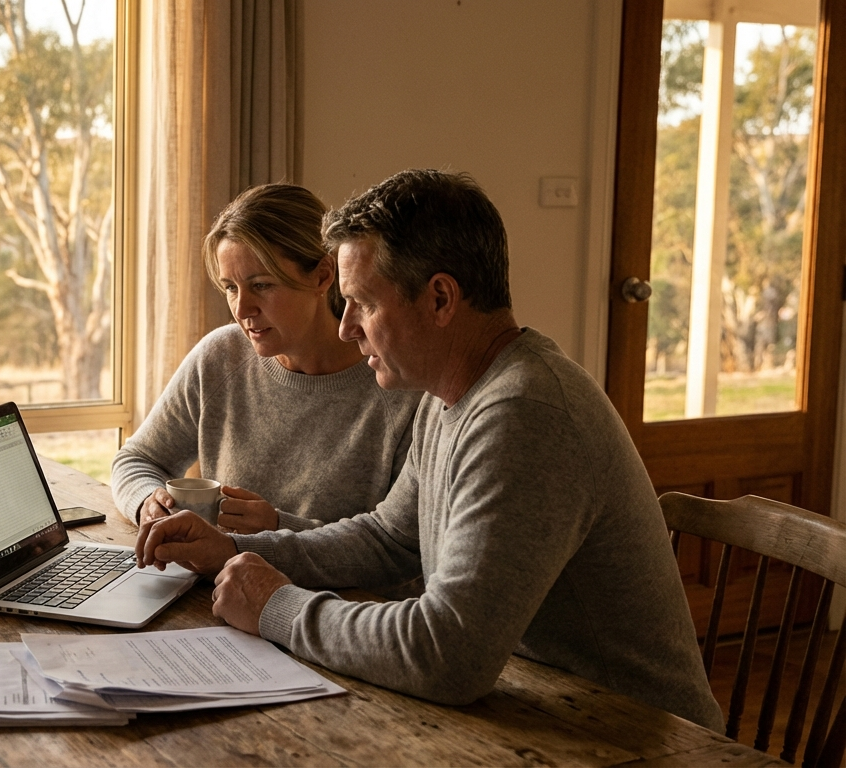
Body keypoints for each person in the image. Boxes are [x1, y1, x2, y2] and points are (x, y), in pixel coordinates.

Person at [134, 170, 724, 731]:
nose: (347, 328)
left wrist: (276, 606)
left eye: (362, 303)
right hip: (536, 711)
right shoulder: (451, 397)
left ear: (440, 298)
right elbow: (386, 538)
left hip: (635, 737)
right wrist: (231, 548)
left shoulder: (524, 415)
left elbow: (447, 653)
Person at [111, 183, 422, 534]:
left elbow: (398, 548)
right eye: (231, 287)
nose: (242, 309)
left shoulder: (399, 387)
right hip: (215, 585)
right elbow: (137, 459)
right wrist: (147, 503)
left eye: (261, 285)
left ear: (322, 275)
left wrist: (278, 528)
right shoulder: (220, 357)